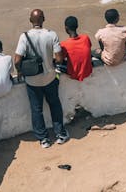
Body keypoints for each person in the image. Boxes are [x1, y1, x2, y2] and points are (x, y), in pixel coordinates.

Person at [14, 9, 69, 148]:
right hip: (50, 77)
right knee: (55, 105)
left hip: (32, 81)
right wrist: (55, 72)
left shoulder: (24, 37)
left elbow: (16, 60)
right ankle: (60, 134)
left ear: (30, 20)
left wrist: (20, 71)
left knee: (36, 109)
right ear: (44, 19)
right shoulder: (51, 34)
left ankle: (43, 139)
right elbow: (59, 58)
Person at [59, 16, 93, 81]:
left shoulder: (64, 44)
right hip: (88, 72)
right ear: (77, 26)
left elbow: (60, 59)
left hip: (73, 75)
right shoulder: (86, 38)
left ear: (66, 28)